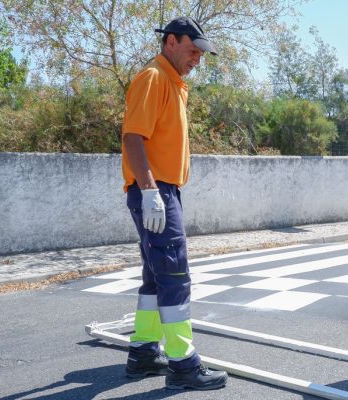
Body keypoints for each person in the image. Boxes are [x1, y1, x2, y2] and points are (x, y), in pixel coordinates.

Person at [120, 16, 227, 391]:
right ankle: (183, 362)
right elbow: (133, 138)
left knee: (155, 275)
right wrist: (150, 192)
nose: (198, 57)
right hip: (155, 190)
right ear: (170, 41)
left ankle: (144, 352)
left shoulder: (172, 82)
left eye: (201, 52)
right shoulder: (154, 78)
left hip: (162, 190)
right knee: (175, 274)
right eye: (193, 49)